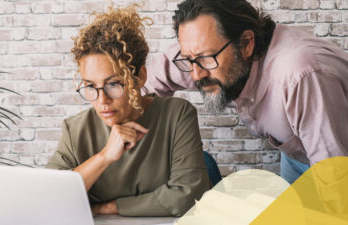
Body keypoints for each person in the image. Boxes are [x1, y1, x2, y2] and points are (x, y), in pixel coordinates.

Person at [143, 0, 348, 184]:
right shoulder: (198, 56)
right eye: (189, 59)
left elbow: (335, 180)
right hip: (297, 152)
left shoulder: (299, 75)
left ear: (246, 43)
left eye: (206, 58)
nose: (196, 75)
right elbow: (142, 91)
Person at [46, 5, 211, 217]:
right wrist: (104, 156)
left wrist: (105, 208)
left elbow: (187, 196)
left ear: (140, 76)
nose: (102, 100)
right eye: (90, 86)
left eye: (114, 84)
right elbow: (49, 196)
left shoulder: (177, 115)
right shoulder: (75, 129)